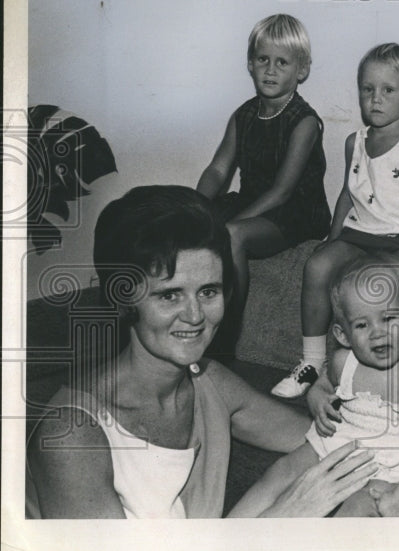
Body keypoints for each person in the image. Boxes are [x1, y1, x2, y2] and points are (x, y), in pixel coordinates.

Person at [26, 185, 376, 519]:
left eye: (209, 291)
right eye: (169, 295)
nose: (195, 316)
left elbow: (328, 440)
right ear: (122, 298)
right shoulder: (71, 434)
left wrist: (345, 390)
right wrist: (284, 516)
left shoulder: (209, 383)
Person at [272, 43, 399, 399]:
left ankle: (396, 371)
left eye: (388, 90)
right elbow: (348, 193)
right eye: (367, 89)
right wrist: (331, 240)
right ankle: (312, 361)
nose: (375, 98)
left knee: (378, 284)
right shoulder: (353, 141)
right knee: (317, 265)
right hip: (358, 233)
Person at [232, 263, 399, 517]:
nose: (377, 332)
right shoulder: (344, 361)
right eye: (362, 325)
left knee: (359, 507)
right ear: (343, 336)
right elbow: (322, 384)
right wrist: (316, 396)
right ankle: (231, 533)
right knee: (282, 469)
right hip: (337, 443)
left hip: (387, 463)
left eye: (388, 318)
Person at [196, 14, 331, 349]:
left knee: (232, 234)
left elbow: (283, 190)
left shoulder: (305, 122)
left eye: (282, 62)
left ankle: (228, 330)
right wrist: (194, 207)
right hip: (253, 200)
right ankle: (198, 314)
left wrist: (236, 221)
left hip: (295, 211)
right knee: (193, 227)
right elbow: (218, 169)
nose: (270, 70)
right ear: (249, 64)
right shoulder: (243, 115)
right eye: (263, 60)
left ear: (301, 70)